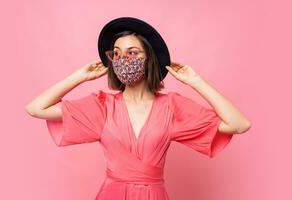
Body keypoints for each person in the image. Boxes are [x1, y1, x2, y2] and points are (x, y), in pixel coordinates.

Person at [25, 17, 251, 200]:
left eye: (132, 53)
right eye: (117, 53)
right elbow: (36, 108)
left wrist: (195, 81)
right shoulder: (102, 105)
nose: (123, 59)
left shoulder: (172, 107)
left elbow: (239, 124)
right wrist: (80, 77)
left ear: (149, 59)